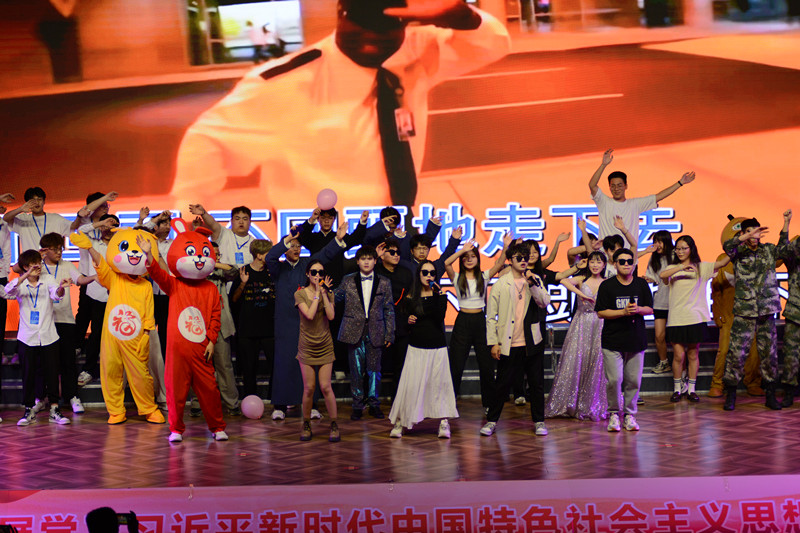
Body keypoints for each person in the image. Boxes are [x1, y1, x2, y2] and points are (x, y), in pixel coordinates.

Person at [171, 0, 511, 210]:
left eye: (387, 28)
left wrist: (464, 16)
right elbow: (206, 141)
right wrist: (190, 228)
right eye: (361, 24)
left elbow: (492, 45)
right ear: (339, 14)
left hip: (394, 235)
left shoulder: (413, 54)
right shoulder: (287, 83)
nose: (373, 37)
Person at [138, 221, 228, 443]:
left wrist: (211, 341)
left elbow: (215, 317)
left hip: (201, 349)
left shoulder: (210, 288)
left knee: (209, 390)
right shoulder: (175, 284)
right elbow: (158, 274)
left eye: (202, 254)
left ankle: (217, 427)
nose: (198, 259)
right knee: (175, 391)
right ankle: (176, 429)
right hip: (177, 351)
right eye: (191, 253)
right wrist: (149, 255)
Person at [267, 225, 349, 420]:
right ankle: (280, 406)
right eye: (292, 246)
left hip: (310, 322)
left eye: (298, 246)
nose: (296, 249)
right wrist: (287, 240)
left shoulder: (306, 266)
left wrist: (337, 240)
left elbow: (324, 255)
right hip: (285, 323)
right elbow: (270, 257)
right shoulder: (278, 268)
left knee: (311, 364)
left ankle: (312, 406)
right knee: (284, 363)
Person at [721, 211, 790, 411]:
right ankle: (731, 394)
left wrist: (786, 223)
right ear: (743, 234)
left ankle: (770, 394)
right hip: (745, 311)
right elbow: (727, 246)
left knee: (769, 355)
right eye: (749, 231)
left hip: (766, 311)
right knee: (736, 354)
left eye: (756, 231)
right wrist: (744, 237)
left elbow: (784, 250)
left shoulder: (768, 250)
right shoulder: (738, 252)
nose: (754, 235)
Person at [481, 241, 550, 437]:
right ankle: (492, 421)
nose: (523, 261)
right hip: (508, 342)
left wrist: (533, 284)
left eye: (525, 258)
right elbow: (490, 316)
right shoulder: (501, 283)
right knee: (502, 385)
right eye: (519, 258)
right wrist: (493, 342)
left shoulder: (535, 279)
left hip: (532, 342)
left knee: (536, 384)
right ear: (510, 260)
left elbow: (544, 302)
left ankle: (539, 421)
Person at [389, 260, 458, 438]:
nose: (428, 276)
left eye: (432, 273)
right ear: (419, 274)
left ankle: (444, 422)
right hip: (416, 347)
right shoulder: (411, 296)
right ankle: (401, 421)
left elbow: (439, 316)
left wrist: (439, 295)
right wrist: (408, 320)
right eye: (425, 272)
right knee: (410, 386)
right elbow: (403, 322)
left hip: (437, 347)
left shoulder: (440, 295)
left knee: (440, 385)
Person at [659, 235, 729, 403]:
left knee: (692, 354)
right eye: (678, 249)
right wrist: (682, 267)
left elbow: (722, 263)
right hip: (676, 318)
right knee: (678, 355)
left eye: (684, 248)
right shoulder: (672, 268)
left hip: (695, 317)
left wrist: (740, 241)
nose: (680, 251)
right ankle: (677, 389)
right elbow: (663, 275)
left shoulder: (701, 267)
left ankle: (691, 389)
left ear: (691, 249)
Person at [5, 249, 70, 426]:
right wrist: (26, 276)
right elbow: (8, 291)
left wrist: (61, 288)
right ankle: (29, 410)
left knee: (52, 373)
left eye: (39, 263)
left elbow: (56, 295)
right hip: (27, 337)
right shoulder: (20, 284)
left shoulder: (48, 279)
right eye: (33, 264)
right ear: (26, 266)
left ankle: (54, 409)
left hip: (49, 335)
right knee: (28, 374)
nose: (38, 267)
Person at [444, 234, 508, 410]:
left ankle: (489, 405)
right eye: (466, 257)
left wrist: (505, 246)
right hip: (462, 321)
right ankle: (449, 405)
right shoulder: (457, 277)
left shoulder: (483, 276)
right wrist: (462, 250)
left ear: (478, 259)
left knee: (486, 367)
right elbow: (446, 263)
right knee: (456, 366)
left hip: (480, 321)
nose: (469, 259)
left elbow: (499, 264)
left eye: (473, 256)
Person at [594, 248, 653, 432]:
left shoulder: (641, 284)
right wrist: (623, 312)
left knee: (633, 380)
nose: (626, 264)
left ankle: (629, 414)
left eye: (629, 261)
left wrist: (638, 310)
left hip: (636, 340)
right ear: (614, 264)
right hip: (612, 341)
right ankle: (613, 413)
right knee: (614, 380)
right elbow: (600, 312)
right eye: (622, 261)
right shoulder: (607, 286)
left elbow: (650, 309)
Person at [334, 245, 395, 420]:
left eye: (370, 259)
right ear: (357, 261)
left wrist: (389, 333)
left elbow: (389, 309)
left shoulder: (384, 282)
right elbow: (335, 297)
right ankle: (357, 405)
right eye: (363, 259)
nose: (366, 262)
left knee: (374, 371)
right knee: (356, 370)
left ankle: (374, 404)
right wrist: (322, 290)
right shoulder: (348, 280)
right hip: (354, 330)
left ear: (375, 261)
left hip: (376, 330)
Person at [545, 251, 608, 421]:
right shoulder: (582, 279)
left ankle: (592, 402)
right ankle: (572, 403)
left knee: (596, 361)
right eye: (592, 262)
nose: (595, 265)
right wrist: (581, 294)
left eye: (599, 262)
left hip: (600, 323)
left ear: (604, 265)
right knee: (577, 360)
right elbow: (563, 281)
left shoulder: (607, 282)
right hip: (581, 323)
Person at [588, 148, 696, 242]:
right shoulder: (604, 202)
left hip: (629, 257)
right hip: (605, 257)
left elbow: (659, 196)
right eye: (613, 186)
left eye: (620, 185)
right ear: (609, 187)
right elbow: (592, 185)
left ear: (626, 186)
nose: (616, 189)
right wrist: (603, 165)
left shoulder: (635, 204)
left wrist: (680, 183)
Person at [39, 232, 94, 414]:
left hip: (66, 320)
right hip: (45, 322)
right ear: (45, 250)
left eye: (60, 249)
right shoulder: (37, 267)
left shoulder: (67, 265)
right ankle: (43, 397)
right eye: (55, 249)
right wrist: (37, 258)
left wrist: (94, 277)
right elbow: (18, 269)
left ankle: (72, 396)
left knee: (68, 361)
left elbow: (80, 279)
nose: (59, 252)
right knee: (45, 362)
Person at [295, 261, 340, 442]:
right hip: (307, 345)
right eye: (314, 272)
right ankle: (306, 424)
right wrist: (316, 295)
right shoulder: (300, 294)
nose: (317, 275)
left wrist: (324, 294)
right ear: (308, 274)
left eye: (320, 272)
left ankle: (334, 424)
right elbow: (309, 315)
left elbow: (331, 316)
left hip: (325, 344)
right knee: (309, 388)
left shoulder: (328, 293)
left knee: (326, 386)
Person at [230, 239, 276, 400]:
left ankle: (274, 399)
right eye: (269, 253)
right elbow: (234, 299)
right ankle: (250, 400)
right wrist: (243, 284)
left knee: (275, 365)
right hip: (248, 329)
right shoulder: (244, 271)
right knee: (249, 369)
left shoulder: (272, 271)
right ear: (259, 255)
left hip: (270, 328)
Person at [76, 215, 116, 388]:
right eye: (107, 224)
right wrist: (100, 223)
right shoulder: (93, 244)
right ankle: (89, 370)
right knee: (97, 333)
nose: (109, 227)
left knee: (118, 334)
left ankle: (118, 373)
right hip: (98, 295)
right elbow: (80, 232)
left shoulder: (121, 245)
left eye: (113, 224)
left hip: (119, 295)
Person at [375, 238, 414, 400]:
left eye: (398, 252)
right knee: (375, 364)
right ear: (382, 255)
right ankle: (371, 400)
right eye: (392, 252)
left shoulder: (406, 273)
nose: (396, 255)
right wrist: (375, 258)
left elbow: (412, 297)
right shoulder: (375, 271)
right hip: (379, 323)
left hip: (402, 323)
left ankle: (397, 398)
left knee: (401, 363)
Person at [3, 187, 71, 254]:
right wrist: (20, 209)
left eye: (39, 199)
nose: (37, 202)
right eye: (33, 201)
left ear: (44, 201)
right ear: (27, 203)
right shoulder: (23, 219)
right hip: (31, 260)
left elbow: (73, 227)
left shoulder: (56, 218)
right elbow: (5, 219)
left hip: (52, 260)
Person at [644, 230, 674, 375]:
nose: (657, 245)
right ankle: (664, 362)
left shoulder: (675, 256)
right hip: (660, 302)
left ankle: (681, 365)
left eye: (660, 241)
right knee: (659, 335)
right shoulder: (654, 258)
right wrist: (648, 279)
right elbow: (653, 277)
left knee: (676, 338)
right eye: (655, 241)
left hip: (676, 303)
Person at [189, 204, 254, 268]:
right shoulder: (223, 233)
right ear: (231, 221)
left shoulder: (254, 242)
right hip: (221, 273)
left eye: (245, 219)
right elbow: (212, 224)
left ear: (250, 222)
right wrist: (203, 213)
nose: (241, 222)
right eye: (237, 219)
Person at [779, 229, 800, 407]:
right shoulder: (793, 259)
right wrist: (785, 228)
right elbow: (782, 251)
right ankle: (789, 391)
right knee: (791, 356)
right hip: (795, 312)